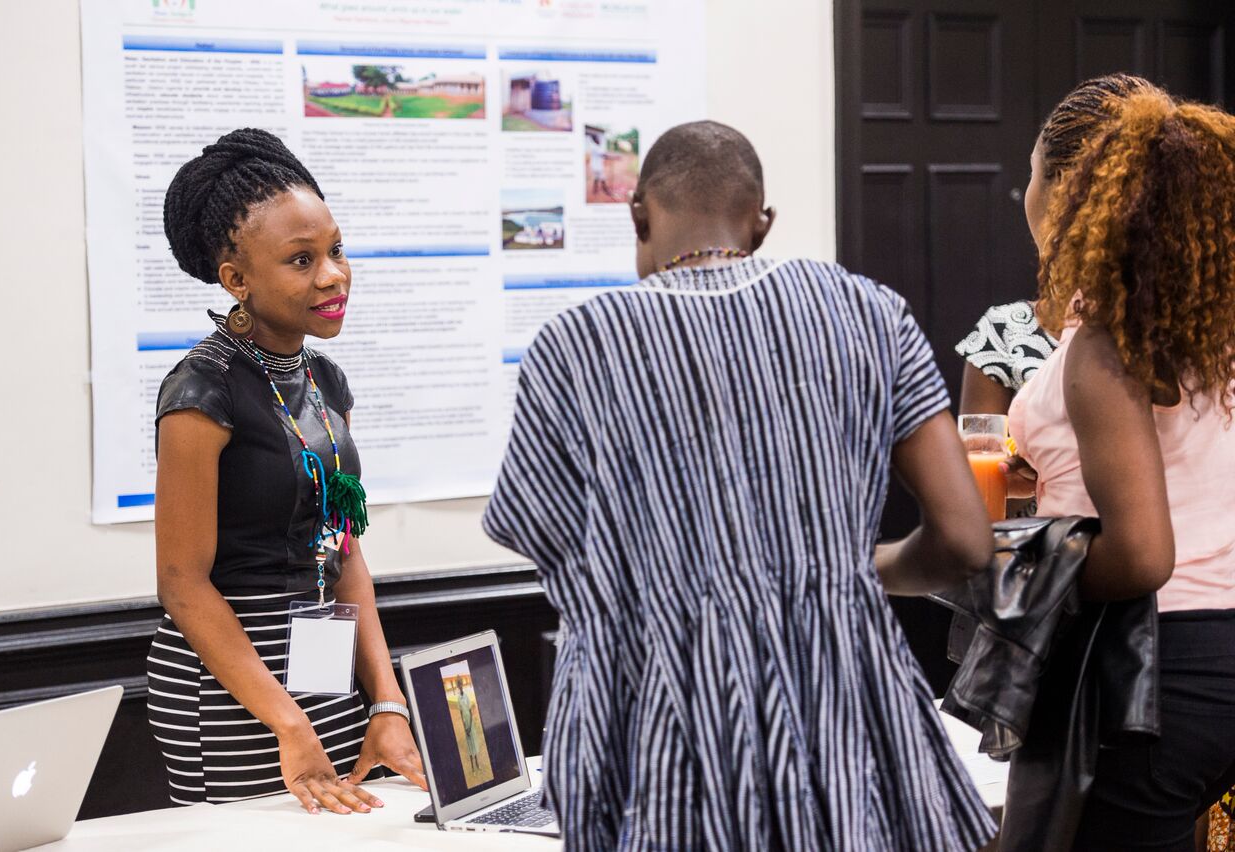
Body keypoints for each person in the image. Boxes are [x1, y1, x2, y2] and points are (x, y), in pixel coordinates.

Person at [483, 120, 996, 850]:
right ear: (763, 225)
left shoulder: (573, 348)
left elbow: (559, 555)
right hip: (842, 712)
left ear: (638, 215)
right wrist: (845, 570)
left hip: (664, 732)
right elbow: (967, 542)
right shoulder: (872, 314)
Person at [149, 128, 426, 814]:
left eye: (335, 250)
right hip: (232, 688)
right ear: (237, 279)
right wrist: (287, 721)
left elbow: (343, 549)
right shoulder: (201, 391)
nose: (332, 274)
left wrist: (385, 699)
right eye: (301, 260)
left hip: (322, 668)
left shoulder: (326, 382)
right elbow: (181, 584)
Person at [1007, 87, 1235, 850]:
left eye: (1032, 172)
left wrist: (1019, 567)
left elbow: (1141, 554)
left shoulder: (1107, 340)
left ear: (1071, 192)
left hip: (1156, 668)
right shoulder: (1208, 325)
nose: (1024, 194)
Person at [956, 74, 1156, 419]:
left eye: (1032, 170)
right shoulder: (1209, 337)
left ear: (1063, 188)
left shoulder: (1007, 335)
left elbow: (976, 467)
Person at [457, 683, 481, 772]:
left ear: (462, 686)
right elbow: (460, 713)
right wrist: (465, 728)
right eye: (458, 686)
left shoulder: (466, 697)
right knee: (469, 745)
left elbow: (470, 712)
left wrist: (470, 727)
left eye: (461, 686)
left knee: (474, 743)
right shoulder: (458, 698)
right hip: (465, 724)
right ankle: (473, 768)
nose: (460, 687)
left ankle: (477, 764)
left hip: (470, 724)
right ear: (458, 687)